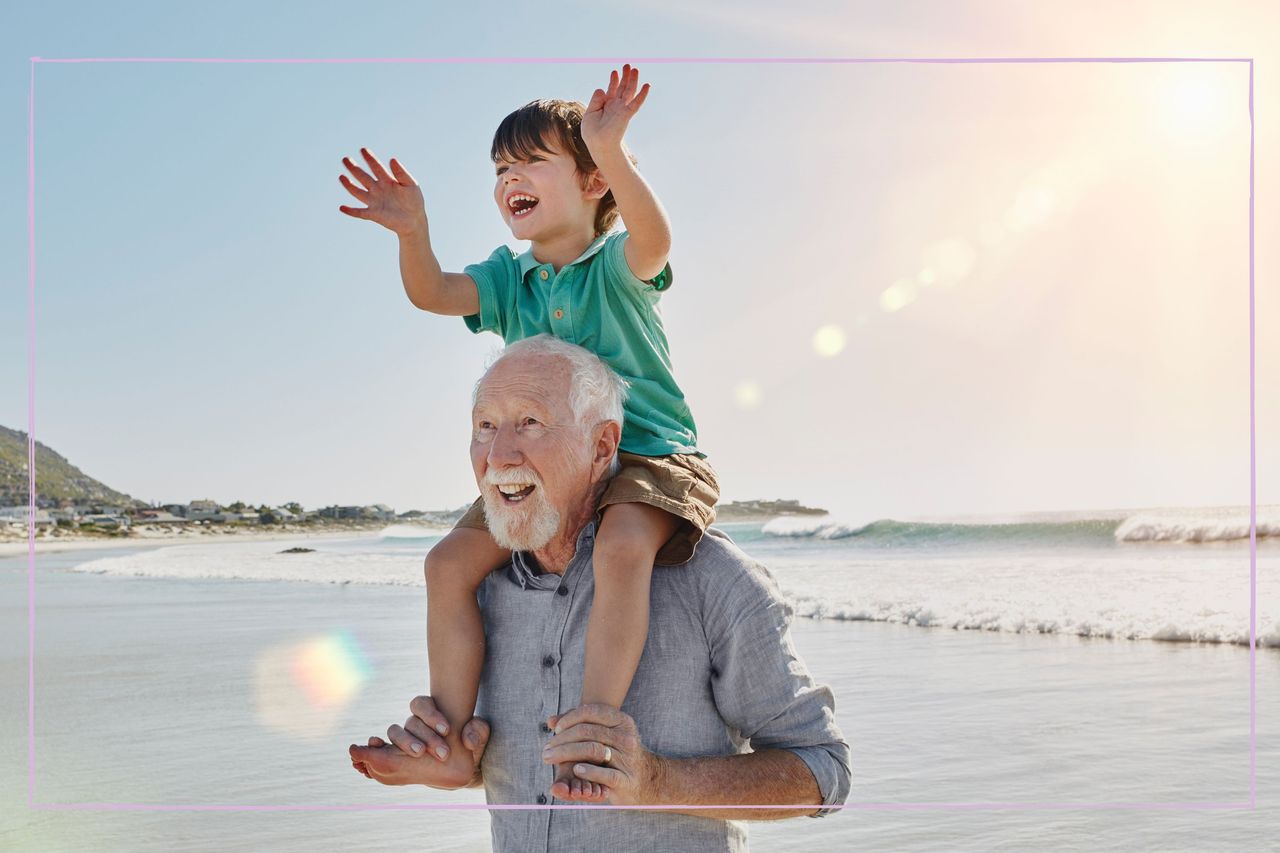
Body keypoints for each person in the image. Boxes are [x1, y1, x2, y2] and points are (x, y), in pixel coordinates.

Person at [339, 64, 718, 799]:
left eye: (530, 160)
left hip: (649, 453)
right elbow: (434, 293)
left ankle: (596, 724)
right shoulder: (510, 281)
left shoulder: (616, 267)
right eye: (500, 167)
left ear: (591, 182)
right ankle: (449, 737)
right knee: (447, 565)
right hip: (547, 468)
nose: (509, 175)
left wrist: (609, 146)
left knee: (621, 544)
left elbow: (656, 238)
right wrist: (413, 231)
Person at [349, 337, 851, 852]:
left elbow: (823, 771)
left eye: (530, 423)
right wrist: (449, 757)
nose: (498, 455)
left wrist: (657, 783)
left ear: (603, 446)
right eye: (484, 426)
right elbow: (519, 765)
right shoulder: (477, 590)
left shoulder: (712, 579)